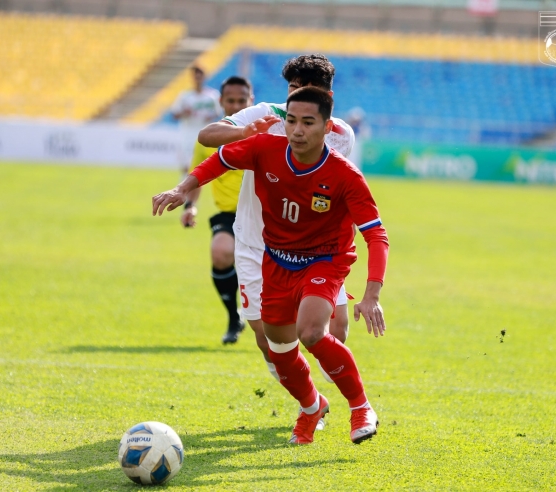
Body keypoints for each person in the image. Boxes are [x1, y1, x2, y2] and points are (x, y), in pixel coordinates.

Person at [153, 87, 389, 445]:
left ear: (328, 127)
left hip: (325, 259)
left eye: (308, 123)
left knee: (312, 331)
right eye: (291, 121)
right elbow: (219, 159)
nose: (297, 130)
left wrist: (371, 295)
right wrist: (181, 189)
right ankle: (312, 407)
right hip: (277, 260)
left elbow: (376, 236)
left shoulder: (346, 176)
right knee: (278, 349)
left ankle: (361, 407)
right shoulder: (266, 149)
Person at [198, 54, 355, 387]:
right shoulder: (266, 114)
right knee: (266, 339)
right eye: (292, 89)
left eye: (305, 90)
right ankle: (308, 398)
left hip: (315, 248)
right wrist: (243, 131)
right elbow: (207, 135)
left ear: (326, 98)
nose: (295, 98)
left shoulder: (341, 134)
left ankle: (328, 395)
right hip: (258, 242)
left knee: (336, 328)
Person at [181, 76, 254, 344]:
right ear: (220, 102)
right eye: (230, 101)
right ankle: (234, 317)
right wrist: (191, 207)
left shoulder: (266, 134)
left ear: (251, 101)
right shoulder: (209, 138)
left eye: (241, 101)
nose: (235, 106)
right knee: (221, 252)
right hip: (230, 214)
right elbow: (198, 175)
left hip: (264, 214)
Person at [170, 66, 221, 175]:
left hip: (206, 134)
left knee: (203, 166)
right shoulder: (185, 96)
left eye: (200, 76)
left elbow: (218, 112)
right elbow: (174, 114)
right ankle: (183, 188)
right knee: (186, 165)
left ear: (204, 77)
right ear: (192, 78)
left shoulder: (212, 96)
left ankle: (193, 189)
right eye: (196, 76)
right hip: (188, 134)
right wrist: (185, 113)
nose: (198, 79)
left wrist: (210, 116)